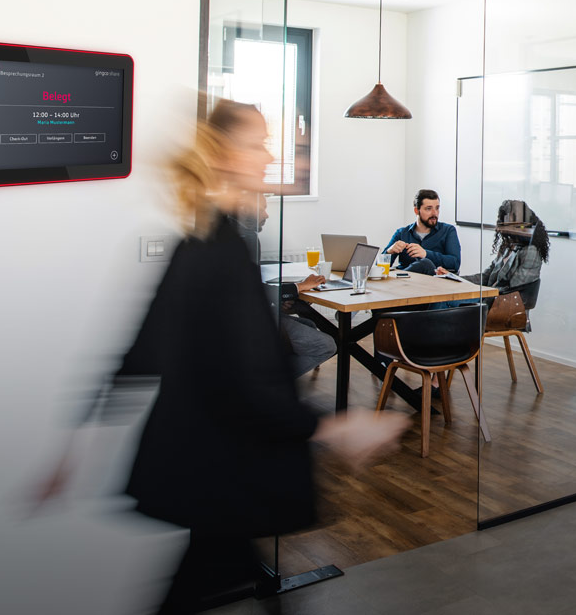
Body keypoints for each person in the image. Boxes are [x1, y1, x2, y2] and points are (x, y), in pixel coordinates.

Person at [33, 99, 407, 614]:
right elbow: (240, 378)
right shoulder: (218, 248)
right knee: (203, 581)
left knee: (207, 577)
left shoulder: (208, 238)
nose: (268, 154)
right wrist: (333, 428)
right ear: (224, 155)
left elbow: (147, 347)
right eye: (256, 143)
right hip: (222, 466)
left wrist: (75, 442)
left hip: (210, 465)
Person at [235, 192, 338, 379]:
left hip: (243, 319)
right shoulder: (245, 238)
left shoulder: (232, 234)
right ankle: (267, 384)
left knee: (309, 323)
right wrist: (297, 287)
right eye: (262, 209)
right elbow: (246, 291)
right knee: (327, 345)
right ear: (244, 209)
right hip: (247, 324)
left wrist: (278, 298)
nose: (266, 215)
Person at [465, 199, 549, 292]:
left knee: (450, 303)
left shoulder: (531, 252)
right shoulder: (507, 247)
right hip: (487, 295)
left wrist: (483, 293)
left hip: (500, 301)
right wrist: (458, 280)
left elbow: (512, 289)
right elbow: (486, 276)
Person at [384, 189, 461, 275]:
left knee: (425, 263)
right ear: (416, 210)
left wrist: (426, 254)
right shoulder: (402, 233)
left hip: (433, 283)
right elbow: (379, 268)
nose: (434, 213)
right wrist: (389, 252)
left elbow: (455, 263)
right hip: (406, 284)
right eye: (429, 209)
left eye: (437, 208)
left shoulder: (448, 231)